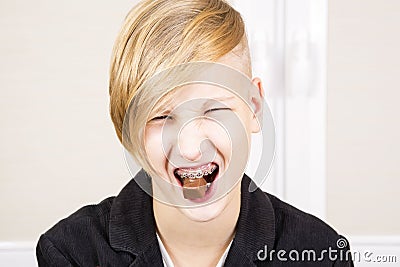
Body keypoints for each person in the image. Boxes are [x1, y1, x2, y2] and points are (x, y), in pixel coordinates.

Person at [36, 0, 354, 266]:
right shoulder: (73, 253)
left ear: (254, 107)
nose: (190, 147)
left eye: (213, 109)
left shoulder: (322, 255)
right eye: (161, 116)